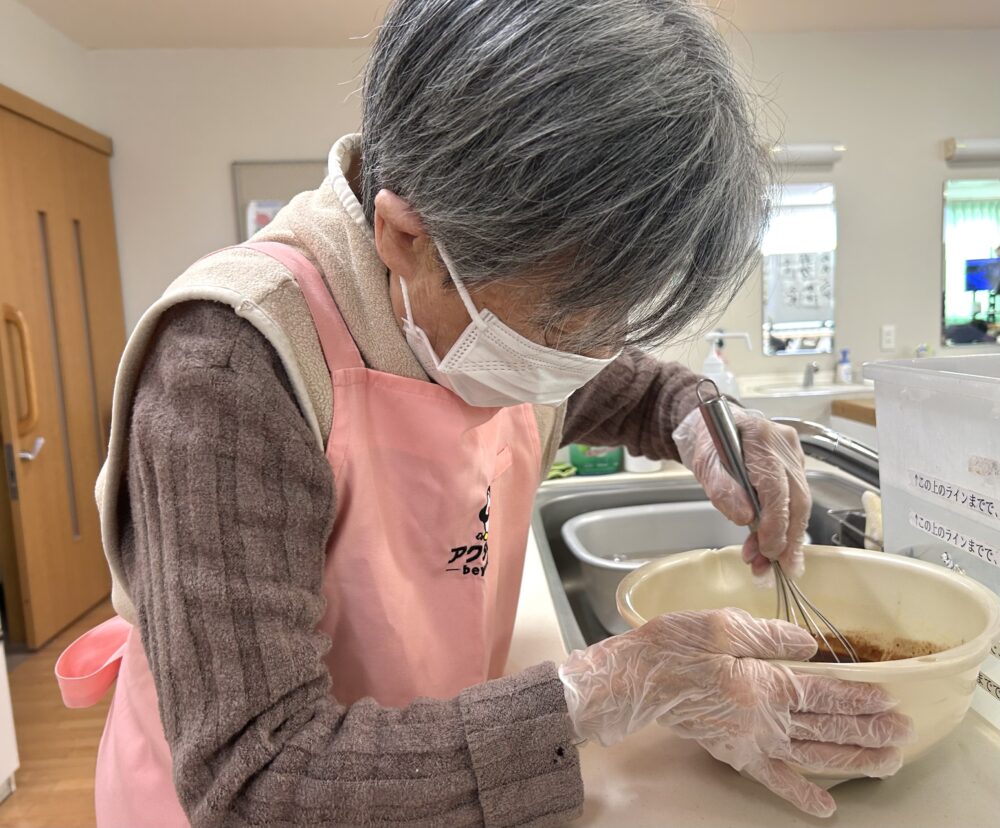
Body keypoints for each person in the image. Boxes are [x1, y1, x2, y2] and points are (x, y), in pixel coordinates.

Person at [56, 1, 911, 825]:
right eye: (560, 327)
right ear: (404, 237)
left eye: (614, 324)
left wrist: (702, 412)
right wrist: (605, 689)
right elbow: (258, 779)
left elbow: (615, 386)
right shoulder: (230, 366)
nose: (586, 357)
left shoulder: (479, 316)